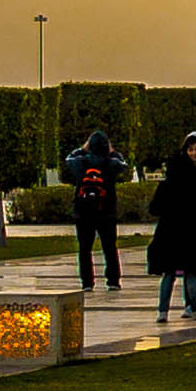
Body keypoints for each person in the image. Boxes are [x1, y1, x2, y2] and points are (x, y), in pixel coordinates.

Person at [146, 127, 196, 320]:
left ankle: (162, 312)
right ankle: (195, 308)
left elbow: (154, 208)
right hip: (190, 234)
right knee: (192, 273)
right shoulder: (194, 183)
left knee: (168, 275)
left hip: (168, 233)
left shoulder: (166, 185)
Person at [66, 124, 127, 293]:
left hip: (83, 211)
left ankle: (87, 282)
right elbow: (123, 163)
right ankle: (113, 280)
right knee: (109, 247)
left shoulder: (80, 163)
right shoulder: (111, 164)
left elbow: (68, 159)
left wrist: (82, 149)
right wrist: (112, 151)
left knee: (84, 249)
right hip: (106, 211)